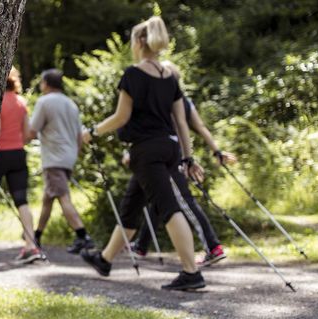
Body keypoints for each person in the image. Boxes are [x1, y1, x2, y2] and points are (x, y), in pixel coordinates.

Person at [80, 16, 207, 291]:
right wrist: (188, 157)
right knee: (132, 205)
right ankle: (105, 259)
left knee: (169, 208)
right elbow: (181, 122)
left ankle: (191, 272)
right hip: (168, 148)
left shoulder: (133, 75)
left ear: (140, 41)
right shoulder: (169, 76)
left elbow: (121, 117)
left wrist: (92, 132)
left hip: (146, 151)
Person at [127, 61, 238, 266]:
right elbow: (200, 127)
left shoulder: (162, 99)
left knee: (185, 201)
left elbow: (163, 128)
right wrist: (216, 150)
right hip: (173, 155)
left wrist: (192, 157)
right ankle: (141, 245)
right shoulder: (185, 101)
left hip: (167, 157)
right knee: (159, 199)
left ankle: (213, 246)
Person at [29, 69, 95, 254]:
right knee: (47, 199)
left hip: (53, 158)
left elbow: (32, 130)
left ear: (46, 83)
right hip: (68, 156)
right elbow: (78, 136)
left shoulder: (44, 102)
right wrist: (75, 155)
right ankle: (37, 236)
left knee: (63, 197)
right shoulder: (71, 104)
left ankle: (83, 236)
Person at [0, 67, 43, 264]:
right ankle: (30, 245)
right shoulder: (21, 102)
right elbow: (28, 133)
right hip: (18, 155)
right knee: (22, 200)